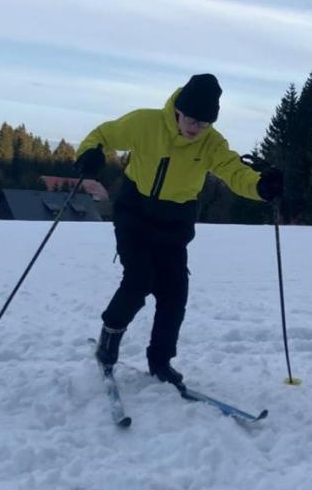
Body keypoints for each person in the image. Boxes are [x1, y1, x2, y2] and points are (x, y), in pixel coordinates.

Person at [75, 74, 283, 385]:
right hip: (135, 212)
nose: (195, 128)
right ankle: (108, 342)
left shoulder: (212, 143)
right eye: (191, 119)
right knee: (138, 281)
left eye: (203, 123)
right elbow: (103, 134)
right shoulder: (146, 123)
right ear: (178, 109)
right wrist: (89, 157)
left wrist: (261, 186)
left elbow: (234, 171)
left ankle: (160, 361)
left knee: (174, 292)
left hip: (176, 220)